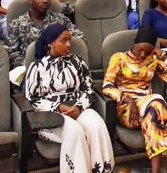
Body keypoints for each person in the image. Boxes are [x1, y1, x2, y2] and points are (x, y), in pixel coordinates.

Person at [102, 26, 167, 173]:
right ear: (134, 43)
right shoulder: (119, 58)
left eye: (148, 51)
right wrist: (128, 99)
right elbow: (107, 86)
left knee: (153, 116)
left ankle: (156, 170)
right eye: (140, 49)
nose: (143, 54)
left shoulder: (153, 60)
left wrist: (162, 55)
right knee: (157, 100)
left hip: (150, 109)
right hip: (128, 111)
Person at [23, 24, 114, 173]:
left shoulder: (78, 62)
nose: (69, 44)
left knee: (96, 125)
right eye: (63, 41)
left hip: (78, 107)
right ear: (51, 43)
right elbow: (32, 99)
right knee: (75, 131)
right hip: (50, 116)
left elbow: (88, 90)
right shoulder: (37, 67)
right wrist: (58, 106)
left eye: (69, 40)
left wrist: (78, 107)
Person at [5, 0, 82, 66]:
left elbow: (80, 38)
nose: (45, 1)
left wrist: (62, 43)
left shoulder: (61, 20)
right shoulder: (17, 24)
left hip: (59, 66)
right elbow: (10, 53)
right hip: (28, 68)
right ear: (31, 0)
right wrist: (35, 66)